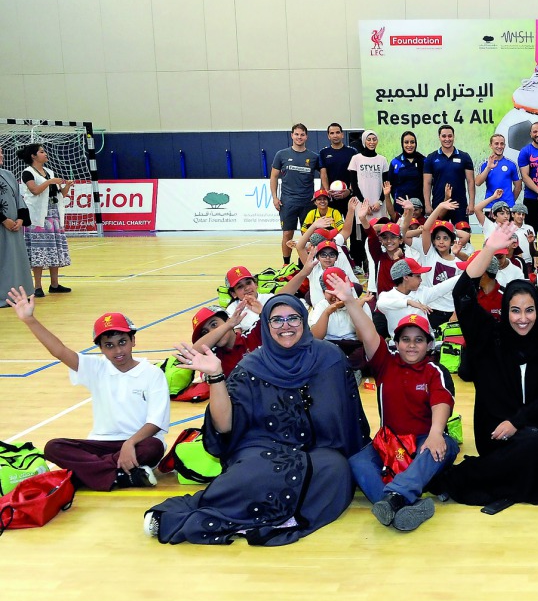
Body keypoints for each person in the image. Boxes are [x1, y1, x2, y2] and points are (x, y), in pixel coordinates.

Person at [147, 295, 369, 545]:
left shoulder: (330, 358)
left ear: (303, 320)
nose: (286, 326)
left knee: (335, 469)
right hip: (264, 447)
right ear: (266, 324)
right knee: (258, 472)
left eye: (293, 318)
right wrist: (217, 377)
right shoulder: (252, 366)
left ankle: (286, 517)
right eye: (277, 320)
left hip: (318, 452)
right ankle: (200, 513)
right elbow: (224, 427)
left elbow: (351, 415)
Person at [441, 223, 538, 506]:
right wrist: (490, 249)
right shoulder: (491, 338)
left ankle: (459, 480)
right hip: (495, 431)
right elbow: (462, 296)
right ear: (505, 311)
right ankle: (460, 479)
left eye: (529, 310)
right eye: (515, 311)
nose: (522, 318)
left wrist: (518, 421)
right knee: (533, 458)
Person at [7, 287, 169, 490]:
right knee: (53, 447)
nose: (118, 350)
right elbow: (60, 351)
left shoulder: (152, 374)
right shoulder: (97, 368)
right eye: (109, 345)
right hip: (100, 445)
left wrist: (129, 444)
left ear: (133, 341)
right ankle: (119, 475)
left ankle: (88, 473)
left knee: (153, 447)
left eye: (122, 342)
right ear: (101, 349)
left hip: (138, 443)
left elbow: (155, 423)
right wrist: (30, 320)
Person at [334, 279, 457, 533]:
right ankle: (400, 505)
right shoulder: (384, 363)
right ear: (396, 342)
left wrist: (436, 433)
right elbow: (368, 331)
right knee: (357, 462)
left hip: (426, 438)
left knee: (435, 450)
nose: (411, 345)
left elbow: (441, 401)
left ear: (429, 345)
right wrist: (349, 300)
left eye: (419, 340)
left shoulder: (434, 371)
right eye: (405, 339)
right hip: (390, 442)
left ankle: (394, 498)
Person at [17, 143, 73, 296]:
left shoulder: (49, 171)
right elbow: (34, 190)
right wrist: (49, 182)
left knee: (53, 249)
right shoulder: (28, 172)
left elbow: (60, 194)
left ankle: (54, 284)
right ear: (33, 156)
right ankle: (37, 286)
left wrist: (66, 186)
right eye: (41, 152)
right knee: (39, 250)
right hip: (37, 217)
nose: (45, 154)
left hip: (53, 213)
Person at [271, 123, 326, 266]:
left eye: (302, 134)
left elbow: (323, 174)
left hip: (307, 203)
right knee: (287, 234)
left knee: (307, 235)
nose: (299, 137)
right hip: (287, 202)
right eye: (296, 134)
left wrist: (320, 194)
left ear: (306, 136)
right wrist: (275, 197)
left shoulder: (313, 157)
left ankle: (305, 264)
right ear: (292, 135)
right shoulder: (281, 154)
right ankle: (286, 264)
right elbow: (274, 177)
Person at [0, 148, 34, 305]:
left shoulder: (8, 174)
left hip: (13, 227)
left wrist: (20, 219)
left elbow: (18, 198)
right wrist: (3, 219)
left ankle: (17, 294)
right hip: (3, 226)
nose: (2, 155)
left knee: (15, 261)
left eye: (1, 152)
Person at [423, 124, 475, 225]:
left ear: (454, 136)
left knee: (463, 235)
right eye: (444, 136)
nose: (447, 139)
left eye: (450, 136)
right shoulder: (431, 158)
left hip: (459, 204)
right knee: (438, 236)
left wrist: (472, 203)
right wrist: (427, 204)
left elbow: (470, 181)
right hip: (439, 204)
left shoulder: (464, 157)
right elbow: (427, 183)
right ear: (439, 137)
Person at [319, 123, 358, 217]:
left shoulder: (352, 152)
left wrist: (349, 190)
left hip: (349, 197)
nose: (335, 135)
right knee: (332, 229)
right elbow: (323, 174)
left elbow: (356, 175)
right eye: (332, 133)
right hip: (332, 198)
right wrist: (328, 192)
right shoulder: (323, 153)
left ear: (342, 134)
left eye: (337, 132)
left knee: (351, 229)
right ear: (328, 136)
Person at [477, 133, 520, 209]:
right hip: (490, 207)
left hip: (508, 206)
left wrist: (510, 201)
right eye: (496, 144)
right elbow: (478, 182)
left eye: (502, 144)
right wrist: (488, 168)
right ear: (491, 146)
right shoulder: (484, 164)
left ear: (504, 146)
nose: (499, 146)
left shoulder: (512, 164)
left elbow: (518, 187)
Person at [388, 130, 424, 203]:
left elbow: (428, 183)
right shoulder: (395, 162)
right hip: (401, 206)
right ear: (402, 144)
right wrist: (397, 198)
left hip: (419, 206)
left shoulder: (423, 160)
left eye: (412, 142)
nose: (409, 145)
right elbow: (390, 185)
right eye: (406, 142)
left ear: (416, 143)